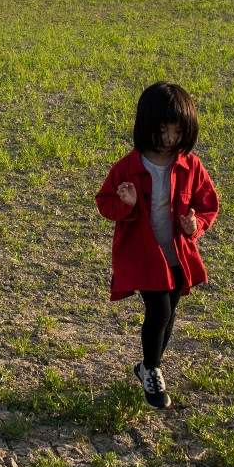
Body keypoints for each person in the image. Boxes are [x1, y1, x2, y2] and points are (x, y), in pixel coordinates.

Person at [94, 81, 219, 409]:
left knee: (170, 313)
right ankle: (152, 370)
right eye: (162, 131)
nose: (168, 140)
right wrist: (128, 204)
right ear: (145, 126)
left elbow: (207, 205)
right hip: (145, 257)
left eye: (177, 132)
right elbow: (105, 203)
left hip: (178, 254)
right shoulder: (128, 167)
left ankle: (146, 366)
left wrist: (196, 226)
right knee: (159, 310)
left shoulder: (191, 166)